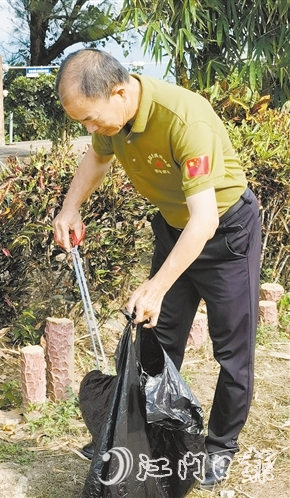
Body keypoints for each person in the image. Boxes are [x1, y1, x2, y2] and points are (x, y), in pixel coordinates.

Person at [53, 48, 261, 489]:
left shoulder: (185, 119)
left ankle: (219, 447)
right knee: (157, 340)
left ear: (119, 91)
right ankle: (141, 433)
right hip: (173, 229)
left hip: (226, 233)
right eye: (82, 123)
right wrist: (70, 208)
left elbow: (204, 219)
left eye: (91, 119)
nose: (90, 130)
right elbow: (97, 158)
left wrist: (157, 285)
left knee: (232, 352)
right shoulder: (114, 120)